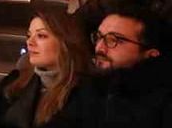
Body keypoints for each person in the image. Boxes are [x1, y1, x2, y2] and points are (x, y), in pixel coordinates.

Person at [0, 9, 90, 128]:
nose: (30, 42)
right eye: (29, 35)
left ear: (65, 42)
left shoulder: (83, 91)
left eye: (41, 36)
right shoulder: (22, 75)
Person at [40, 10, 170, 127]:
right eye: (99, 37)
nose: (99, 48)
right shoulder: (90, 86)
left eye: (113, 40)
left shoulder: (163, 99)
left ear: (150, 55)